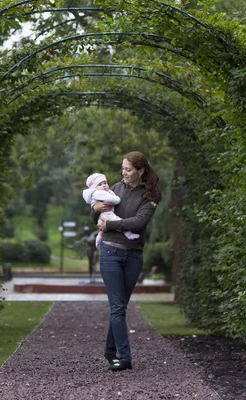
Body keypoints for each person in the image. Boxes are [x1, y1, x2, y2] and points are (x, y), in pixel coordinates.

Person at [91, 151, 162, 372]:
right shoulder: (114, 189)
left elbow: (138, 223)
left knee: (119, 307)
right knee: (118, 307)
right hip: (111, 254)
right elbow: (97, 217)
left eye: (128, 169)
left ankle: (110, 351)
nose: (123, 173)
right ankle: (125, 357)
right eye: (122, 168)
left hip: (133, 257)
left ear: (140, 171)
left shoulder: (150, 196)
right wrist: (94, 210)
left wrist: (111, 225)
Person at [82, 172, 140, 249]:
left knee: (105, 226)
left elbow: (140, 221)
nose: (104, 185)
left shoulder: (108, 191)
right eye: (100, 184)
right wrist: (95, 209)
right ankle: (128, 234)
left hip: (132, 248)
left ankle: (99, 236)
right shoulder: (99, 193)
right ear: (94, 188)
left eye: (105, 183)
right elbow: (114, 200)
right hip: (105, 215)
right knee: (116, 219)